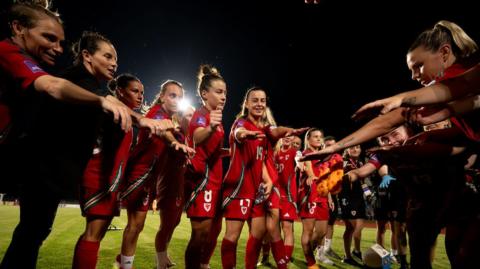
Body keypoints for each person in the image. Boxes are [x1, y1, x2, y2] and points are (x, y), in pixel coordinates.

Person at [0, 6, 140, 268]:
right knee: (32, 233)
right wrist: (103, 102)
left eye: (61, 41)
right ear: (18, 28)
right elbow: (54, 86)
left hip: (40, 170)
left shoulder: (83, 81)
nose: (58, 47)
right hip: (39, 169)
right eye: (49, 38)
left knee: (33, 233)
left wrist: (139, 118)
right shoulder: (11, 53)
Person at [220, 87, 306, 269]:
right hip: (239, 188)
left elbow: (273, 137)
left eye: (262, 100)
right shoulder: (240, 123)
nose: (259, 104)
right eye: (255, 100)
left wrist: (287, 131)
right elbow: (238, 133)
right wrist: (244, 135)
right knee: (232, 236)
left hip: (258, 190)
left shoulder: (266, 131)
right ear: (247, 103)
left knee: (258, 234)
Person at [112, 79, 194, 269]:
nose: (176, 100)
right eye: (172, 96)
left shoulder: (168, 118)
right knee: (135, 224)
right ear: (162, 97)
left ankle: (122, 260)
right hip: (140, 175)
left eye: (179, 97)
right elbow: (162, 130)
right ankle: (124, 264)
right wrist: (174, 142)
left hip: (150, 178)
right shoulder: (157, 114)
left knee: (137, 225)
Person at [184, 64, 227, 269]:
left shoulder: (216, 118)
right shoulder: (202, 115)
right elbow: (197, 136)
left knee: (211, 232)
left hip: (216, 180)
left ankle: (203, 264)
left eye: (225, 92)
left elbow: (212, 148)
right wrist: (210, 127)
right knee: (200, 234)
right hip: (202, 181)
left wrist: (231, 152)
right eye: (219, 92)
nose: (224, 96)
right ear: (204, 93)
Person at [298, 128, 334, 268]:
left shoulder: (324, 156)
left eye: (321, 136)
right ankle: (311, 262)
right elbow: (307, 166)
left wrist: (329, 197)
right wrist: (311, 175)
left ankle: (309, 253)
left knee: (322, 232)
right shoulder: (306, 153)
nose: (319, 139)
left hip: (323, 195)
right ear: (308, 139)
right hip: (309, 194)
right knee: (308, 230)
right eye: (315, 136)